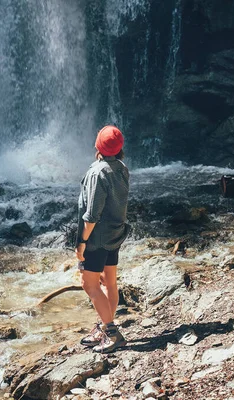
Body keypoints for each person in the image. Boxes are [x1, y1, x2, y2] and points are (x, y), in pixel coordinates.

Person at [75, 125, 130, 353]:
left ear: (97, 145)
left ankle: (111, 332)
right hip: (115, 233)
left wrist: (81, 243)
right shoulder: (122, 169)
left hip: (97, 238)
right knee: (110, 283)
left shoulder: (97, 173)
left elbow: (91, 215)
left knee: (89, 284)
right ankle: (103, 326)